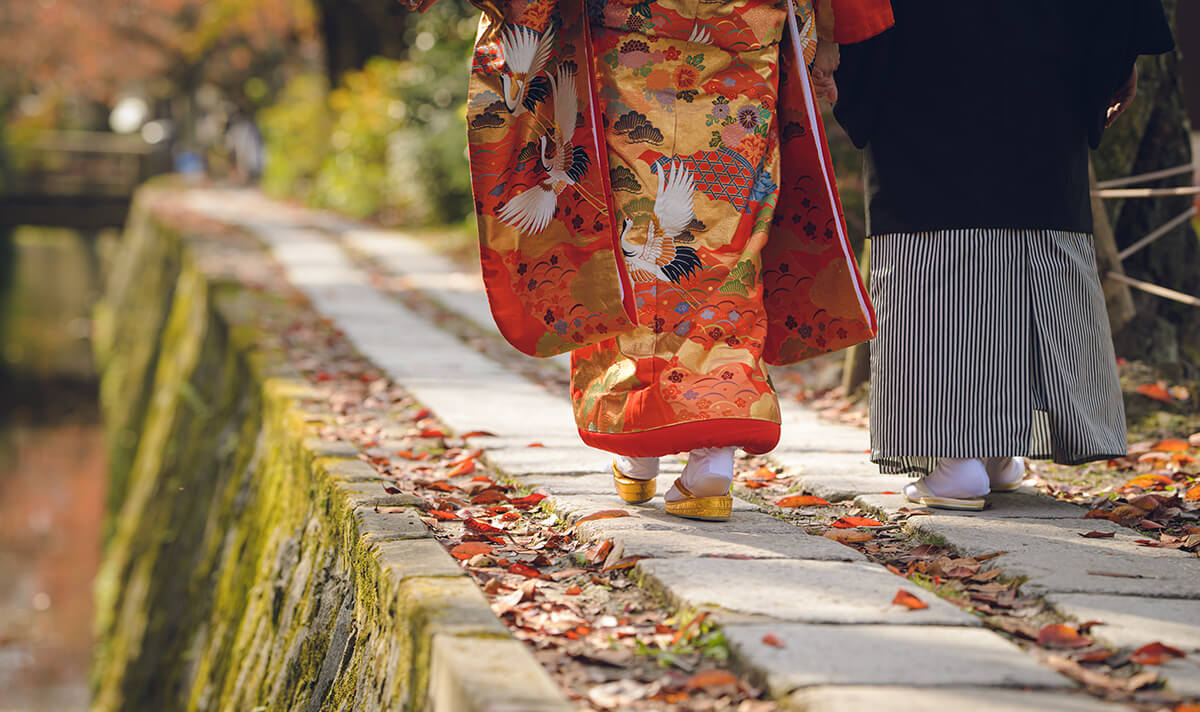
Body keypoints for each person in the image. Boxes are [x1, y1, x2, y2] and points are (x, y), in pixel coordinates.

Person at [406, 0, 892, 520]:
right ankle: (711, 460)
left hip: (630, 32)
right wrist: (835, 33)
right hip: (743, 31)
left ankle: (638, 438)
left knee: (625, 229)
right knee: (726, 237)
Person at [833, 0, 1175, 510]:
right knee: (1035, 228)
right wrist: (1119, 52)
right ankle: (992, 450)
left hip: (923, 51)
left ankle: (957, 458)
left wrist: (830, 49)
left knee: (933, 251)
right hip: (1049, 48)